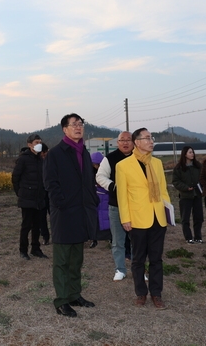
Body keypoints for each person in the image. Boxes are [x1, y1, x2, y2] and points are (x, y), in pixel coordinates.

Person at [44, 113, 99, 318]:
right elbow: (50, 183)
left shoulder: (83, 151)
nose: (78, 127)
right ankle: (62, 300)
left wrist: (92, 200)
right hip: (65, 213)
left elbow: (88, 180)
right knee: (62, 261)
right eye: (74, 124)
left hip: (82, 212)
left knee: (77, 259)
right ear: (64, 129)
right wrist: (62, 204)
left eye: (81, 124)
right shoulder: (56, 153)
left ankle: (75, 294)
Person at [116, 128, 170, 309]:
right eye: (147, 138)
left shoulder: (157, 163)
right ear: (136, 142)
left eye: (151, 138)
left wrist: (167, 211)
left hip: (158, 218)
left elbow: (163, 191)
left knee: (156, 259)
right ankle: (141, 293)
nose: (151, 141)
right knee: (138, 259)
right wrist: (125, 218)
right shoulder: (123, 166)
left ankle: (157, 293)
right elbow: (122, 196)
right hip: (137, 219)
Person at [96, 131, 134, 281]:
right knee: (118, 240)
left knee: (138, 240)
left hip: (136, 207)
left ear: (134, 142)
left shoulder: (139, 157)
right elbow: (99, 176)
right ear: (117, 143)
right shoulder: (110, 158)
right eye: (122, 140)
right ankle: (120, 269)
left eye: (128, 140)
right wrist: (112, 186)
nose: (125, 143)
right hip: (116, 205)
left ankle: (139, 269)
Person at [12, 134, 48, 260]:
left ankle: (36, 248)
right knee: (26, 225)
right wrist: (21, 193)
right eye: (36, 142)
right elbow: (15, 178)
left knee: (37, 225)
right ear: (29, 144)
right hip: (27, 198)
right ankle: (23, 250)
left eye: (40, 141)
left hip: (39, 198)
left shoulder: (41, 159)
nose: (39, 144)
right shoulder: (23, 159)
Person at [172, 146, 204, 244]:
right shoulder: (179, 168)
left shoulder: (198, 166)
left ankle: (198, 237)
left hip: (197, 195)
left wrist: (201, 187)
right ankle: (188, 237)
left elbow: (203, 178)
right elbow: (176, 181)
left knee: (199, 217)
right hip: (185, 196)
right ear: (185, 154)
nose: (192, 154)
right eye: (190, 152)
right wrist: (186, 187)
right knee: (185, 218)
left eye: (193, 152)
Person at [89, 152, 112, 248]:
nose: (95, 166)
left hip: (105, 197)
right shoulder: (90, 172)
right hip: (96, 198)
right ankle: (94, 239)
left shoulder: (107, 170)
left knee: (108, 219)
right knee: (96, 220)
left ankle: (110, 238)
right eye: (94, 164)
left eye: (97, 164)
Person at [40, 143, 51, 245]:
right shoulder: (38, 162)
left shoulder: (53, 160)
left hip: (51, 193)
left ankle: (56, 234)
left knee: (54, 216)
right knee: (42, 217)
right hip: (41, 194)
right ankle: (45, 237)